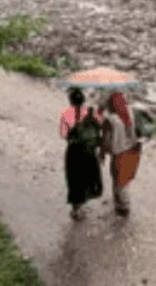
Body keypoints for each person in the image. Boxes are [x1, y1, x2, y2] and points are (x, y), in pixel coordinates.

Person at [60, 88, 103, 220]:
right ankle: (86, 197)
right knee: (88, 176)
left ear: (70, 101)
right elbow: (99, 127)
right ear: (83, 100)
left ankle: (76, 208)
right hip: (89, 151)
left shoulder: (66, 114)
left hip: (74, 151)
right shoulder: (92, 113)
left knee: (74, 179)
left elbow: (63, 134)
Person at [100, 91, 142, 216]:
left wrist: (102, 152)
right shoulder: (132, 112)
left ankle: (122, 207)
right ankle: (122, 204)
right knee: (124, 181)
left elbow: (104, 139)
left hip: (118, 154)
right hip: (133, 151)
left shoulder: (110, 120)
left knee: (117, 179)